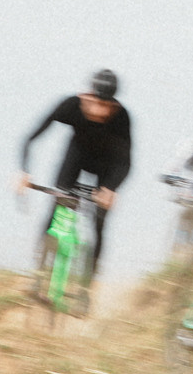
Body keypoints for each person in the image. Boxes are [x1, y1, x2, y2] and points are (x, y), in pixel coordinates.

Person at [14, 69, 132, 314]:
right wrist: (24, 171)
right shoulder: (70, 106)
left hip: (107, 167)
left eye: (106, 107)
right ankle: (38, 274)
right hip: (76, 158)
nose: (100, 112)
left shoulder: (122, 118)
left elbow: (126, 162)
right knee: (56, 207)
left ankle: (86, 290)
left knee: (99, 221)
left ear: (115, 105)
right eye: (95, 104)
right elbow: (31, 137)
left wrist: (110, 189)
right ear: (85, 96)